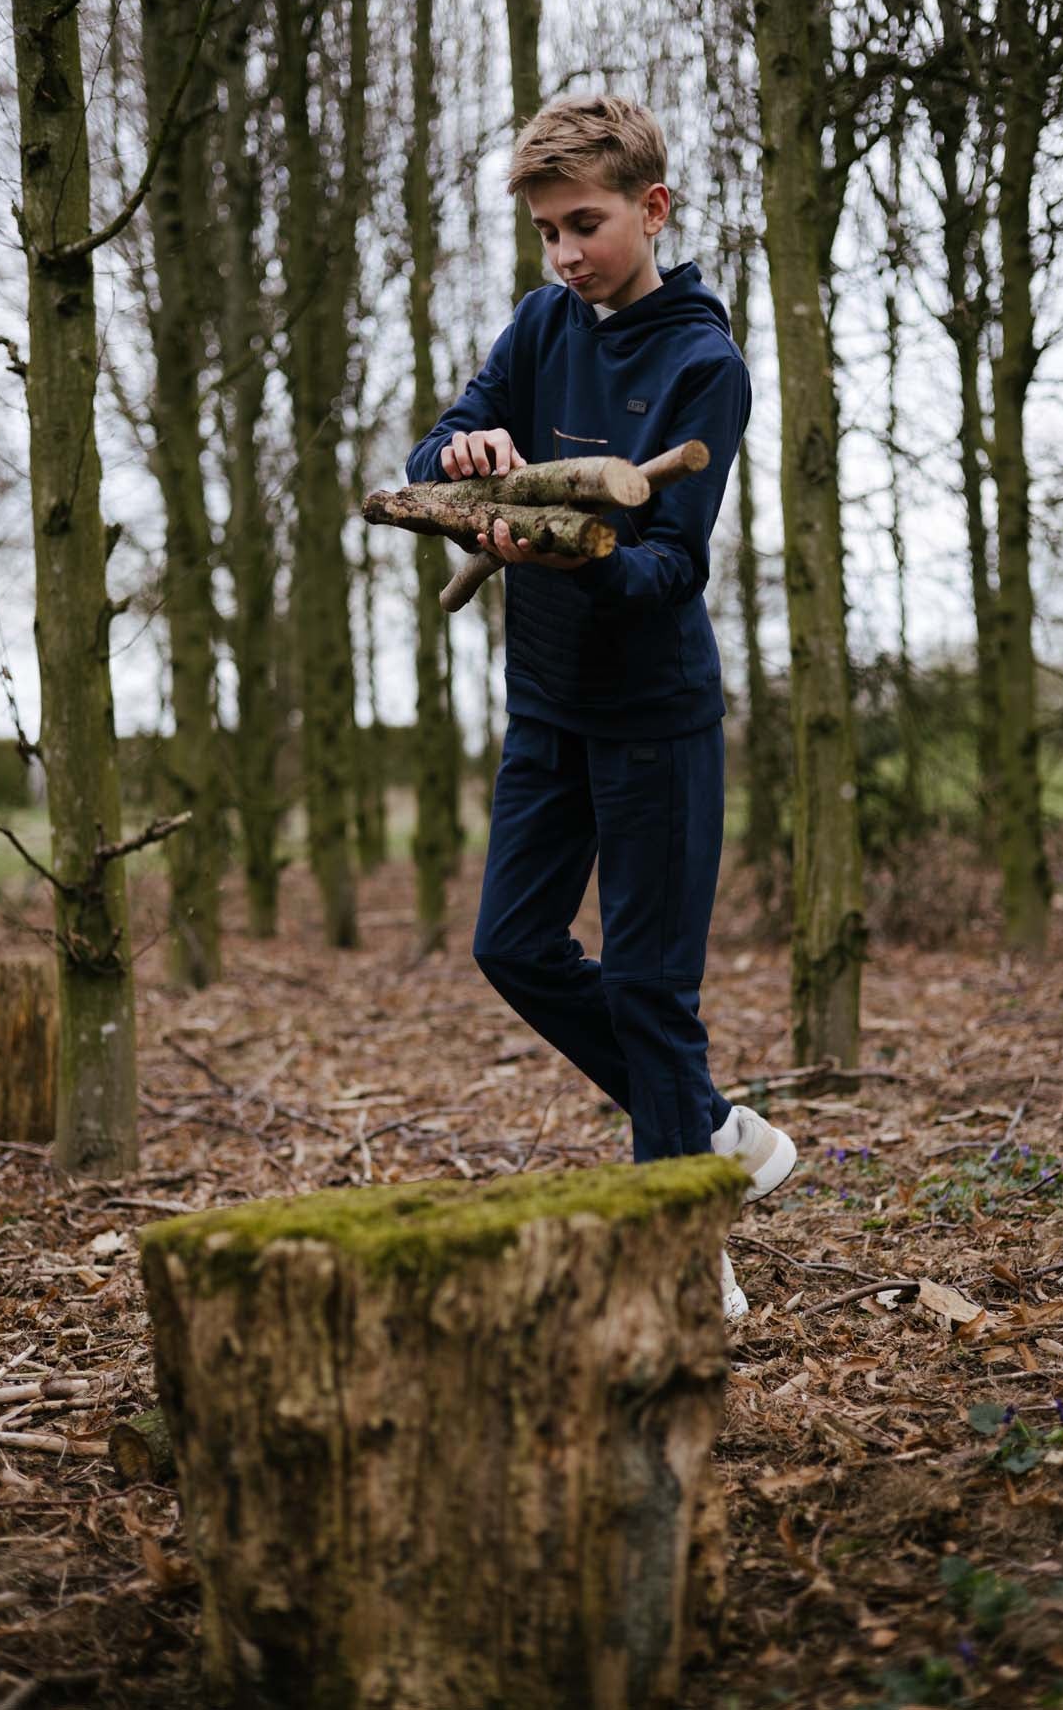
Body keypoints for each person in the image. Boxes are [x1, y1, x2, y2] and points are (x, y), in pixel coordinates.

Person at [406, 94, 795, 1319]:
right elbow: (434, 448)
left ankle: (680, 1257)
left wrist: (574, 555)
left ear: (652, 208)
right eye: (547, 232)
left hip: (655, 720)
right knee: (512, 945)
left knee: (649, 989)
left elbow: (670, 566)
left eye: (585, 224)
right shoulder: (541, 323)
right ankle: (710, 1128)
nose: (566, 253)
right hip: (547, 705)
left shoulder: (703, 365)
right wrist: (465, 456)